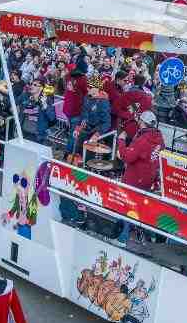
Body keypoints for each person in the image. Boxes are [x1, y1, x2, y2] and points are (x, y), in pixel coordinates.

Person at [116, 110, 164, 246]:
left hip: (135, 178)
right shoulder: (159, 137)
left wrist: (121, 141)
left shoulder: (143, 140)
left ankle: (124, 235)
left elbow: (127, 157)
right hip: (148, 178)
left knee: (128, 204)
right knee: (139, 205)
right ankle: (148, 235)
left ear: (142, 123)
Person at [66, 75, 112, 159]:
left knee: (87, 158)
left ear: (97, 89)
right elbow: (83, 114)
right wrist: (78, 127)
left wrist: (97, 134)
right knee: (76, 154)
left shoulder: (103, 102)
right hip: (84, 131)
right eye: (88, 86)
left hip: (94, 133)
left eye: (90, 87)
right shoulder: (87, 97)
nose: (87, 89)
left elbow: (107, 122)